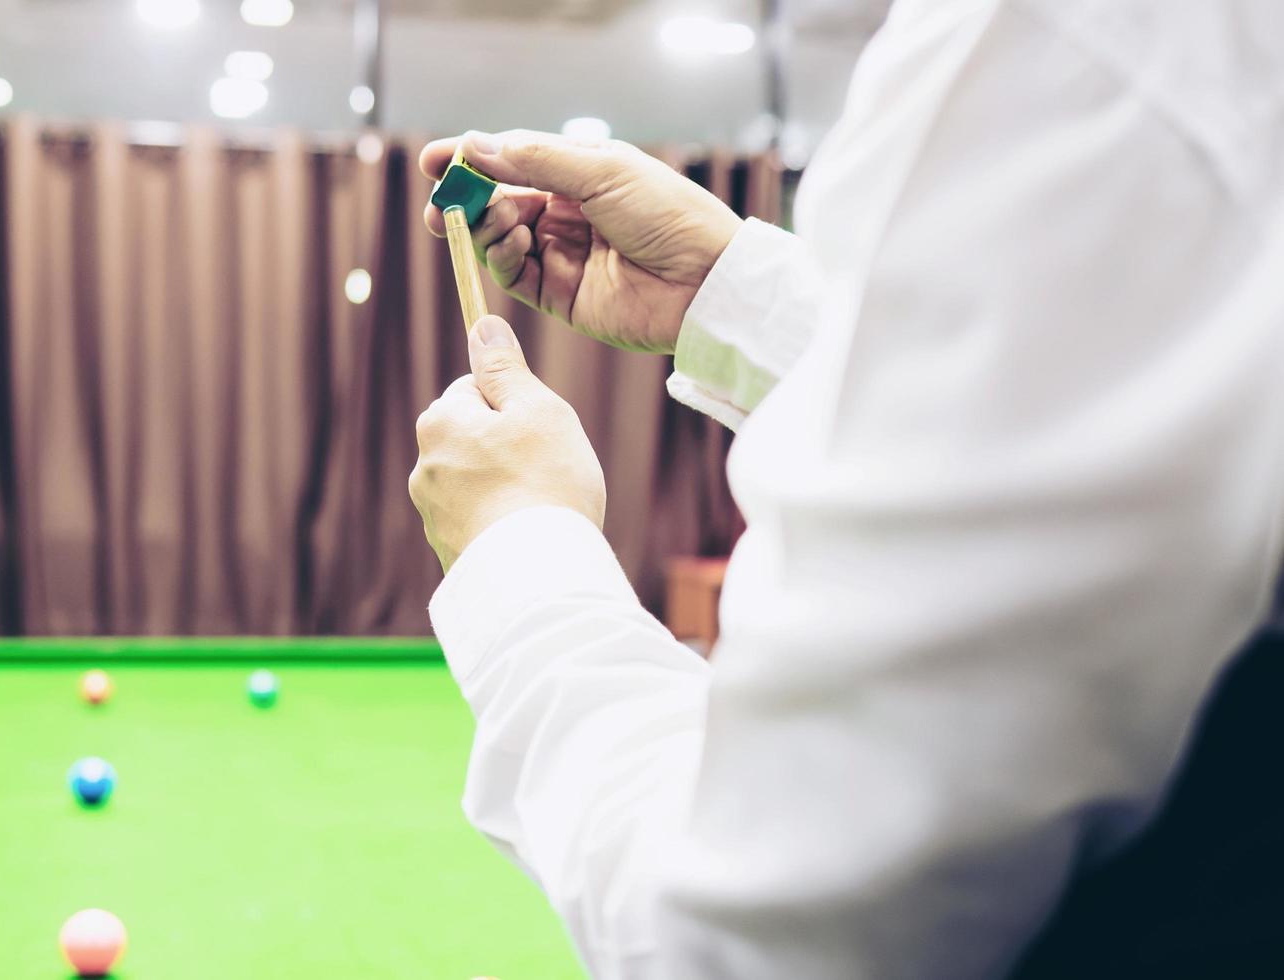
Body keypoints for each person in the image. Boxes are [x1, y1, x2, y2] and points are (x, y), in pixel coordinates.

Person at [409, 0, 1284, 976]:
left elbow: (757, 939)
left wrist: (517, 550)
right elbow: (1107, 402)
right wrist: (731, 293)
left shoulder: (1070, 35)